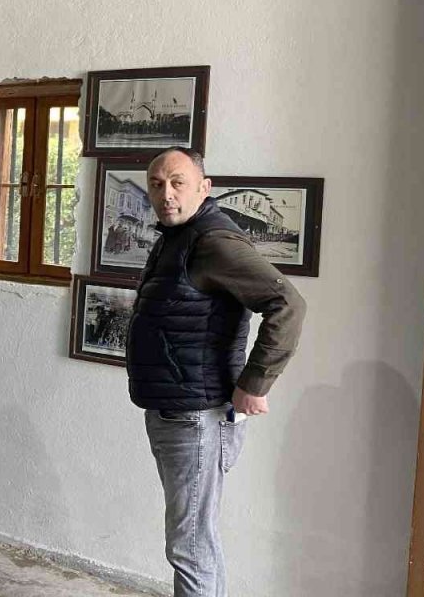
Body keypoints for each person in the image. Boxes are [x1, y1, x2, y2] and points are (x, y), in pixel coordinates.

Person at [127, 147, 306, 597]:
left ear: (204, 188)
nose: (166, 194)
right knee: (194, 541)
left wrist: (255, 383)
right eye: (157, 184)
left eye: (177, 182)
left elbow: (287, 304)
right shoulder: (180, 235)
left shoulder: (212, 242)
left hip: (196, 418)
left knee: (189, 545)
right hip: (176, 411)